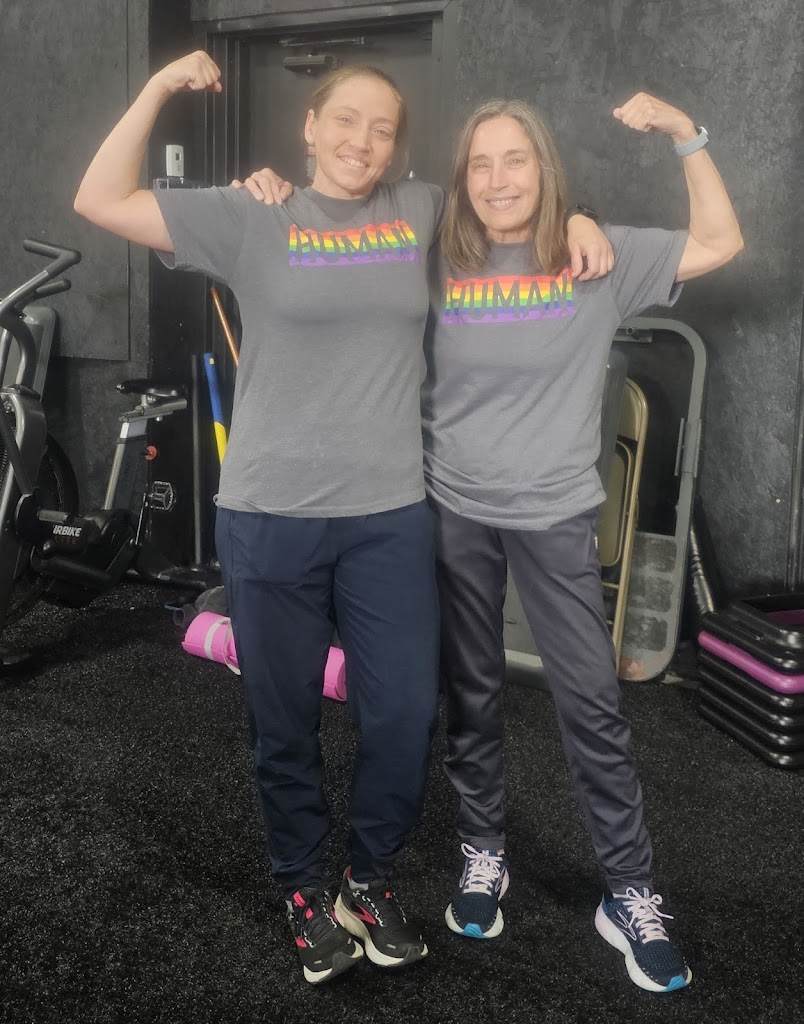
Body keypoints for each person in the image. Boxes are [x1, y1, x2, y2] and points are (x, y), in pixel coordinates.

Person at [72, 48, 615, 986]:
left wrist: (581, 216)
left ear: (396, 147)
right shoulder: (253, 213)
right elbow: (99, 198)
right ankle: (300, 887)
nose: (363, 139)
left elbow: (506, 207)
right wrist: (158, 86)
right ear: (311, 128)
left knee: (403, 714)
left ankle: (367, 881)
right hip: (269, 513)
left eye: (383, 127)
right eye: (346, 120)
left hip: (389, 516)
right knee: (283, 720)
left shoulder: (420, 210)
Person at [421, 94, 742, 993]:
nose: (497, 180)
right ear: (463, 179)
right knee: (471, 688)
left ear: (545, 168)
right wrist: (269, 187)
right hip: (454, 506)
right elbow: (346, 224)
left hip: (554, 513)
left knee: (591, 704)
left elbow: (720, 243)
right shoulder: (439, 253)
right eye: (480, 164)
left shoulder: (597, 256)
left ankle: (628, 892)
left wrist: (686, 134)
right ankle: (483, 849)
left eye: (515, 160)